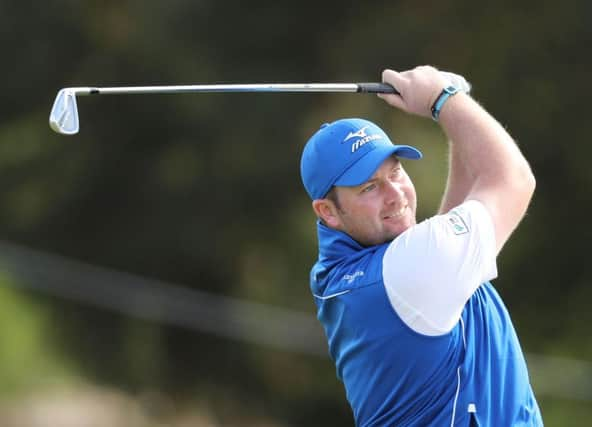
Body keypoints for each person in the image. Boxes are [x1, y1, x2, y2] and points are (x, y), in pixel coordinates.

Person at [299, 66, 542, 426]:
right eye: (369, 187)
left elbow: (449, 235)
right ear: (328, 211)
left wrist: (455, 108)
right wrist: (443, 100)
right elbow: (514, 180)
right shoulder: (405, 272)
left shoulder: (351, 273)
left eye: (395, 171)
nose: (395, 195)